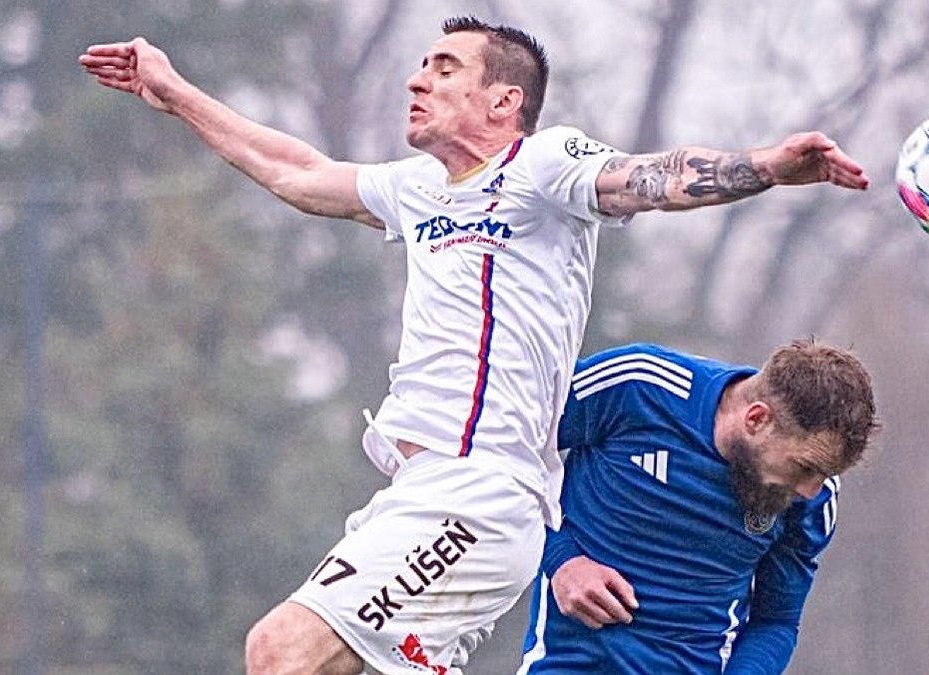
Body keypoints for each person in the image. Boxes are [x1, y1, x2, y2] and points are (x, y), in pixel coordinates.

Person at [79, 16, 870, 675]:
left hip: (483, 494)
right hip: (421, 490)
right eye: (423, 65)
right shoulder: (418, 190)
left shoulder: (544, 166)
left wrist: (765, 167)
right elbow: (297, 172)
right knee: (314, 660)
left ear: (503, 100)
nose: (417, 80)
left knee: (282, 651)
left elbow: (648, 178)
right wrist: (176, 94)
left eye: (444, 67)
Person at [517, 339, 879, 674]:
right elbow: (509, 455)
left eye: (827, 474)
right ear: (757, 419)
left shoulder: (814, 499)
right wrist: (562, 560)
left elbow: (776, 622)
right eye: (805, 467)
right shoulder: (639, 387)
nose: (810, 490)